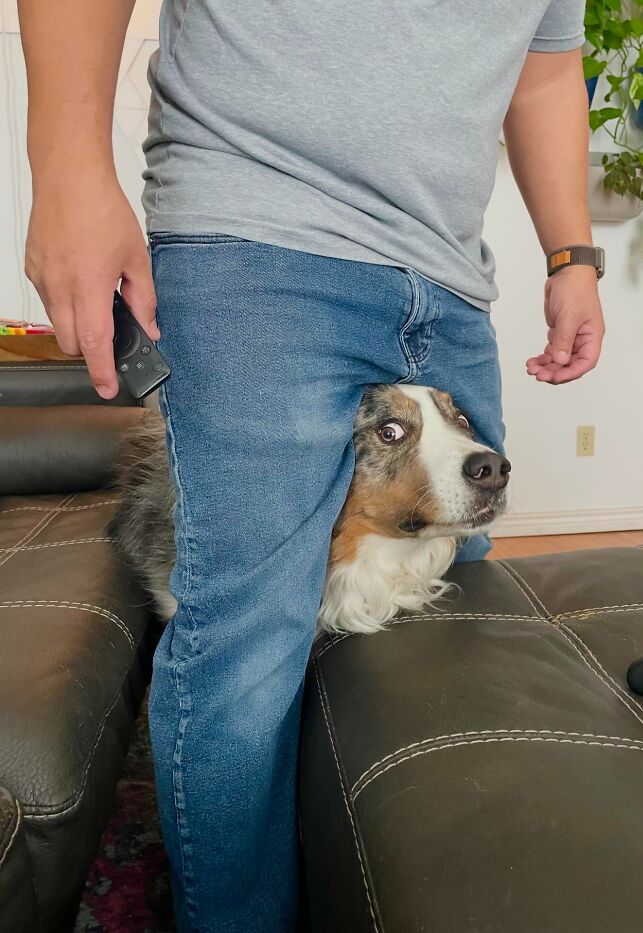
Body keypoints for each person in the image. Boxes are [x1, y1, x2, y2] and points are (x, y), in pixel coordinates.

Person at [19, 0, 605, 929]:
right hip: (258, 243)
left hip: (450, 277)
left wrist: (571, 254)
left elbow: (546, 66)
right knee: (247, 635)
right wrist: (67, 169)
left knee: (450, 585)